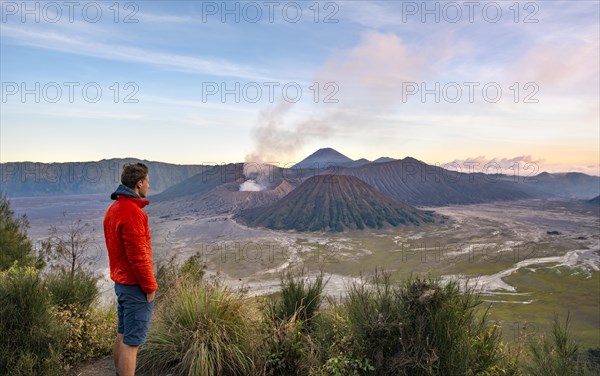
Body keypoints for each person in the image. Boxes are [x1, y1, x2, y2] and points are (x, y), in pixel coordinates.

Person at [103, 163, 158, 376]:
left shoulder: (113, 209)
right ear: (139, 183)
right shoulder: (133, 213)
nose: (149, 186)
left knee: (123, 333)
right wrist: (150, 286)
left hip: (121, 284)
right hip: (135, 286)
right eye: (148, 182)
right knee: (132, 343)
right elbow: (138, 257)